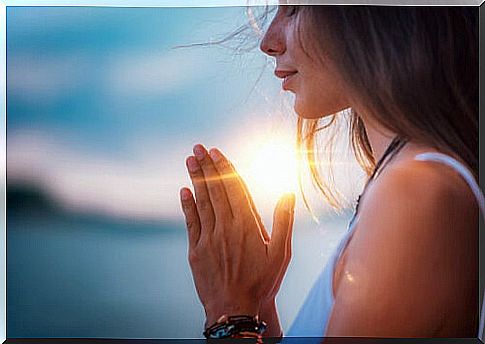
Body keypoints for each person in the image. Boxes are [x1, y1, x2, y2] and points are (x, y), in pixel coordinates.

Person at [179, 5, 483, 339]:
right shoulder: (406, 184)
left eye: (294, 9)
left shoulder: (414, 194)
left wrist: (230, 315)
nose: (268, 41)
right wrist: (256, 308)